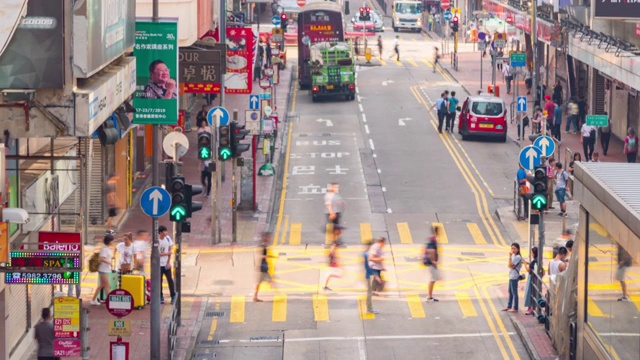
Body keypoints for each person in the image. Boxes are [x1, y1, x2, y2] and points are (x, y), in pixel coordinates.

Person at [91, 234, 115, 305]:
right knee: (107, 286)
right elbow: (101, 258)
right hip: (103, 270)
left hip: (104, 270)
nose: (113, 242)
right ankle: (110, 302)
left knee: (101, 285)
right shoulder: (104, 249)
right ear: (109, 241)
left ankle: (93, 300)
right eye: (112, 241)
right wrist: (109, 262)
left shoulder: (106, 248)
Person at [254, 232, 276, 302]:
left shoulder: (264, 245)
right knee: (269, 281)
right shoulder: (263, 246)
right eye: (268, 237)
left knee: (269, 281)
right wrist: (270, 256)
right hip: (263, 267)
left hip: (263, 266)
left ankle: (255, 296)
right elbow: (261, 256)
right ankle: (256, 296)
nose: (269, 238)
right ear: (265, 238)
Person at [367, 237, 386, 313]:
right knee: (378, 279)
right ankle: (372, 291)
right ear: (381, 242)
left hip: (377, 266)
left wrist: (382, 267)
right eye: (384, 243)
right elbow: (371, 258)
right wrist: (380, 259)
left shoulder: (378, 247)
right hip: (373, 266)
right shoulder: (375, 247)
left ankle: (373, 290)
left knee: (378, 279)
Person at [158, 225, 176, 304]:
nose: (166, 233)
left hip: (166, 264)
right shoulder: (156, 241)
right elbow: (157, 254)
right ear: (161, 232)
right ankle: (160, 296)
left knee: (170, 280)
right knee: (159, 281)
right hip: (158, 265)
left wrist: (168, 262)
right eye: (164, 231)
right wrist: (167, 253)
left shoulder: (168, 238)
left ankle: (173, 296)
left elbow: (170, 249)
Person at [503, 242, 522, 313]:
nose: (513, 250)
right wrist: (510, 257)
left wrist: (510, 257)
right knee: (510, 291)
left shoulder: (517, 257)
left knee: (514, 292)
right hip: (511, 276)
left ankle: (515, 307)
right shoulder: (513, 256)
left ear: (518, 249)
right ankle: (509, 306)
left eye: (514, 248)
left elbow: (511, 265)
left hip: (514, 276)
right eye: (512, 248)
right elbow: (509, 265)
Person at [423, 226, 440, 302]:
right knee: (433, 279)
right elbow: (431, 251)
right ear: (436, 232)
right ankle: (429, 296)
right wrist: (434, 261)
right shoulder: (432, 240)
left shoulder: (431, 239)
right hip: (431, 263)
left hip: (431, 262)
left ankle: (430, 296)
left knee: (434, 278)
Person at [524, 246, 540, 315]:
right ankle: (532, 308)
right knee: (533, 293)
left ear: (534, 253)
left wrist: (525, 264)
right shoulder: (538, 260)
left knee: (530, 292)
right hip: (535, 278)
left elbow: (528, 270)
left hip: (532, 278)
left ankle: (530, 308)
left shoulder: (534, 261)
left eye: (532, 253)